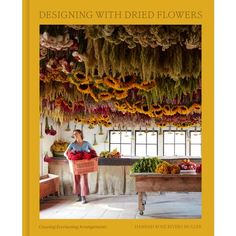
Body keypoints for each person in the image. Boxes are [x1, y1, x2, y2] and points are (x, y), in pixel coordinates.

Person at [64, 129, 95, 204]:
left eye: (76, 133)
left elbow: (93, 151)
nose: (75, 135)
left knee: (84, 180)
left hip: (84, 164)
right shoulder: (72, 144)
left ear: (80, 134)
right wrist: (68, 158)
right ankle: (78, 195)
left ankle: (83, 197)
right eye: (74, 134)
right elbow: (65, 153)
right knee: (76, 180)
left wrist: (94, 157)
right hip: (75, 164)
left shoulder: (86, 143)